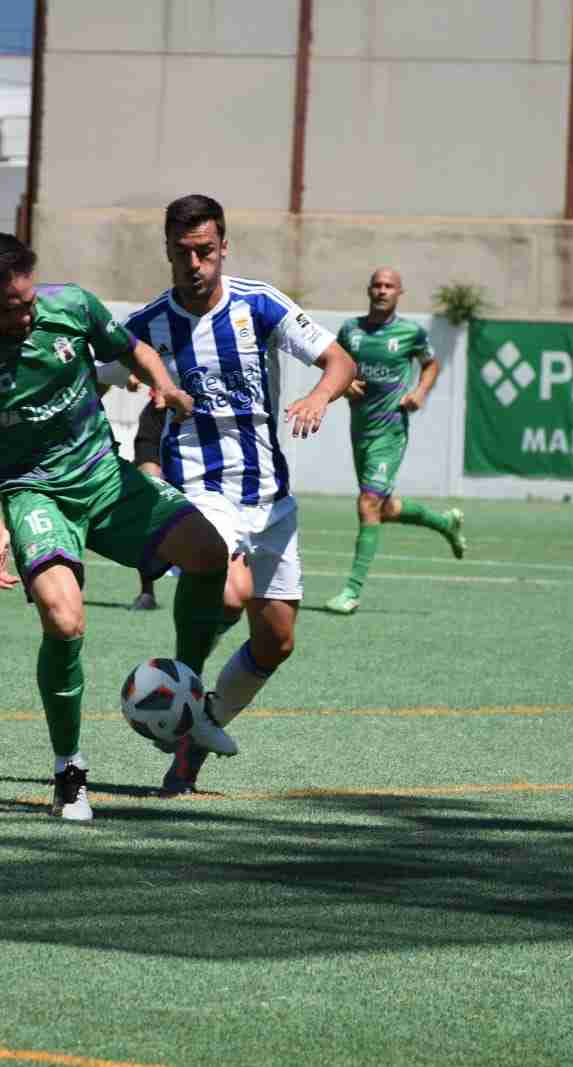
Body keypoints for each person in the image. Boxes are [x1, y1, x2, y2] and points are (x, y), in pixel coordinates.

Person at [0, 233, 234, 822]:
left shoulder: (72, 306)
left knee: (207, 552)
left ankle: (190, 702)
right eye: (8, 308)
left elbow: (134, 349)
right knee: (64, 620)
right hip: (34, 493)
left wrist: (165, 385)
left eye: (27, 302)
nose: (23, 316)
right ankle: (69, 773)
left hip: (103, 476)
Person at [118, 194, 357, 796]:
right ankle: (180, 689)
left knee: (277, 640)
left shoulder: (260, 303)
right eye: (183, 252)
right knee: (225, 589)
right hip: (201, 491)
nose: (195, 263)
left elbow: (339, 360)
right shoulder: (147, 326)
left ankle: (193, 736)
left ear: (224, 247)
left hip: (270, 497)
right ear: (167, 251)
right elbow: (95, 377)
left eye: (205, 251)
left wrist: (318, 397)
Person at [324, 268, 466, 615]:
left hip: (391, 432)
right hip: (361, 430)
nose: (382, 290)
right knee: (382, 508)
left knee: (368, 503)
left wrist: (420, 392)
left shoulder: (410, 332)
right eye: (377, 285)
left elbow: (430, 365)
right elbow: (334, 363)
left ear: (399, 293)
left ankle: (351, 591)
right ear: (368, 290)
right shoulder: (351, 330)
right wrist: (344, 383)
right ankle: (445, 523)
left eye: (389, 286)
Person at [127, 384, 168, 610]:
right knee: (148, 503)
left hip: (200, 422)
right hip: (159, 416)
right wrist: (131, 373)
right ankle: (147, 592)